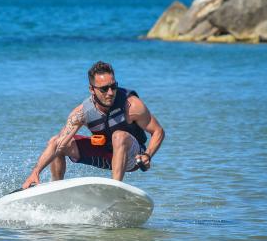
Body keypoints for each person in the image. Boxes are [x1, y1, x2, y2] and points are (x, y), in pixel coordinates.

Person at [22, 61, 165, 189]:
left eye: (113, 86)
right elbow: (57, 144)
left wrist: (147, 155)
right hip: (104, 154)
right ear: (92, 89)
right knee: (57, 141)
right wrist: (35, 172)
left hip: (132, 157)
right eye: (104, 89)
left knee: (118, 136)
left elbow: (158, 131)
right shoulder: (82, 112)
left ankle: (115, 189)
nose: (110, 93)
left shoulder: (132, 105)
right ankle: (55, 190)